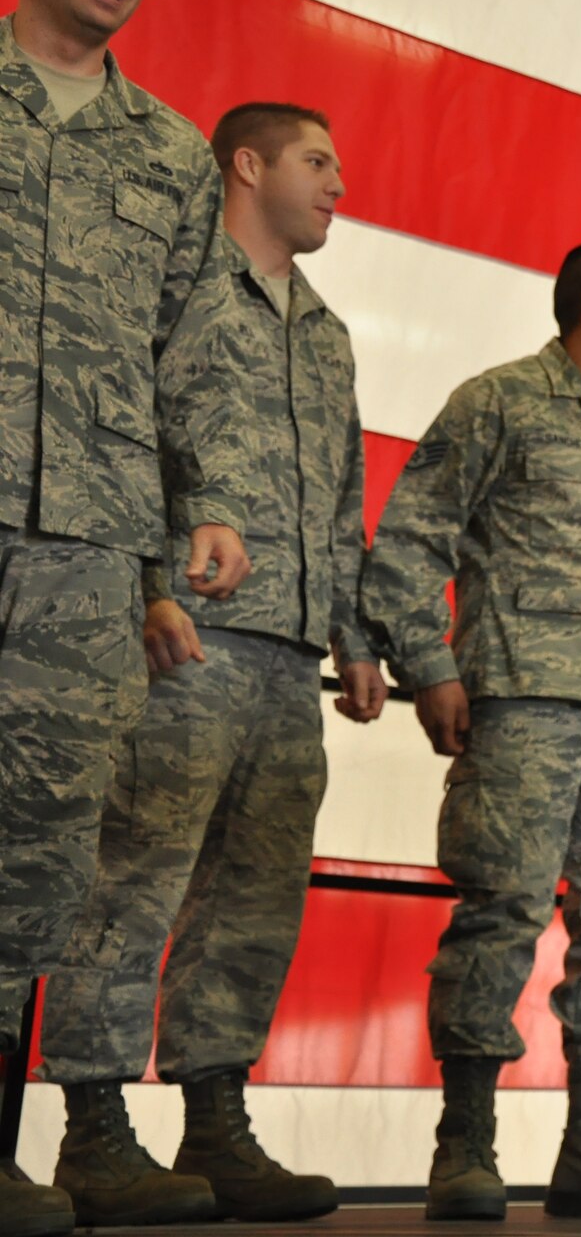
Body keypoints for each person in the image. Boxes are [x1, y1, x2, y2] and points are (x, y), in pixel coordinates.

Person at [38, 103, 379, 1228]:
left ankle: (215, 1117)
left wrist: (354, 634)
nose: (338, 181)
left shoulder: (324, 330)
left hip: (288, 652)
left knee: (253, 898)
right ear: (248, 163)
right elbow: (121, 434)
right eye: (316, 160)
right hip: (182, 630)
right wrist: (143, 584)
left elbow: (337, 497)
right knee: (133, 877)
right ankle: (92, 1123)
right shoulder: (179, 289)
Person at [361, 242, 581, 1221]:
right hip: (522, 704)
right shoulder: (499, 401)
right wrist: (427, 667)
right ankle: (462, 1145)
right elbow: (409, 539)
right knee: (500, 913)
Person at [0, 0, 252, 1231]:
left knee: (34, 852)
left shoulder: (168, 154)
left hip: (84, 552)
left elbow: (196, 354)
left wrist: (200, 510)